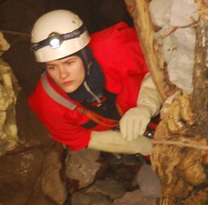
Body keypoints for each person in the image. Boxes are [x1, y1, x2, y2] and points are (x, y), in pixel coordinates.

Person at [28, 9, 162, 156]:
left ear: (85, 55)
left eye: (69, 63)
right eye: (52, 67)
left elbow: (165, 64)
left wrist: (147, 105)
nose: (62, 74)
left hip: (170, 107)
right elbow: (80, 138)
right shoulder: (48, 102)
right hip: (139, 135)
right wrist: (143, 147)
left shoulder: (115, 47)